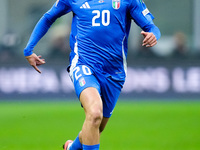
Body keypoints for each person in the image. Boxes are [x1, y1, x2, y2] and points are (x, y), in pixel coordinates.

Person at [24, 0, 161, 149]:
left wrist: (153, 35)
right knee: (95, 113)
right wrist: (29, 49)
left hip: (115, 72)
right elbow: (48, 17)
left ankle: (71, 148)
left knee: (97, 126)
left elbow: (151, 27)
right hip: (83, 64)